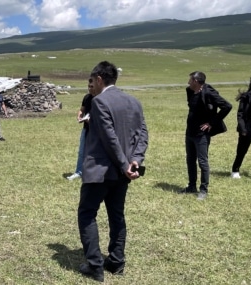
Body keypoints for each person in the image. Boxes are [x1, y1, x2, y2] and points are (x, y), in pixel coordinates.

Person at [77, 61, 148, 282]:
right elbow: (143, 134)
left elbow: (109, 138)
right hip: (122, 173)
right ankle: (117, 262)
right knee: (116, 215)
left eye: (93, 81)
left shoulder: (99, 102)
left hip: (101, 171)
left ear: (99, 79)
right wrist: (135, 160)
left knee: (87, 214)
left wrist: (124, 164)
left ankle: (95, 265)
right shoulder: (134, 101)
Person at [182, 71, 232, 200]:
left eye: (190, 80)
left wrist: (211, 123)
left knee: (202, 162)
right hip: (190, 132)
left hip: (202, 134)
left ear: (196, 82)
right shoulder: (190, 91)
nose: (188, 82)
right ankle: (191, 186)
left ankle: (203, 190)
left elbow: (227, 106)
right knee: (190, 160)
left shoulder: (209, 93)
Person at [67, 83, 94, 181]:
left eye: (92, 86)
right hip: (86, 128)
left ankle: (91, 172)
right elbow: (82, 109)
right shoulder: (87, 97)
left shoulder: (100, 99)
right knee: (82, 151)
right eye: (89, 87)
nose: (90, 89)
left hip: (96, 130)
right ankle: (79, 172)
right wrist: (79, 115)